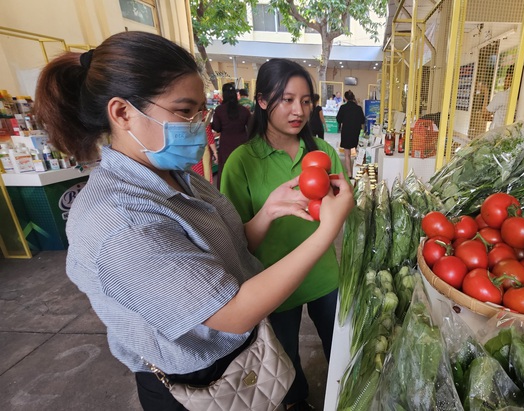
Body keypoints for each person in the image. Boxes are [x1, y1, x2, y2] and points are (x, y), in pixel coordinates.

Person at [32, 31, 353, 411]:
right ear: (122, 113)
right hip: (194, 385)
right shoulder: (118, 223)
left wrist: (268, 211)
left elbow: (228, 249)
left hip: (240, 358)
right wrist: (328, 231)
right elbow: (232, 312)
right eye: (184, 111)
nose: (199, 126)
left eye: (201, 111)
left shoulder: (178, 175)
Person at [220, 58, 346, 411]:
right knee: (283, 361)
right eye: (287, 99)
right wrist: (269, 211)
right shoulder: (241, 162)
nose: (298, 110)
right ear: (261, 101)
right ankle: (297, 401)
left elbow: (340, 208)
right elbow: (236, 244)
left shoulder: (323, 154)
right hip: (271, 285)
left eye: (306, 101)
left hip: (324, 277)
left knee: (342, 349)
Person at [212, 82, 250, 186]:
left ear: (224, 95)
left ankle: (226, 192)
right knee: (242, 169)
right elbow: (251, 128)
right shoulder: (244, 111)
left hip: (226, 145)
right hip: (242, 144)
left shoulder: (219, 110)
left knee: (225, 170)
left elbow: (217, 127)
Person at [336, 90, 365, 177]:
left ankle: (349, 173)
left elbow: (338, 119)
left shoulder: (343, 108)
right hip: (355, 131)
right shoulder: (358, 108)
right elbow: (362, 121)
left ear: (345, 98)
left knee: (347, 154)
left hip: (346, 131)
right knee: (356, 151)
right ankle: (357, 171)